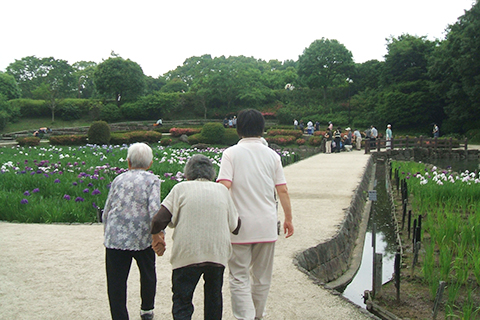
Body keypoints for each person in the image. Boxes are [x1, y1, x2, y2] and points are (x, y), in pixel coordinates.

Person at [216, 109, 294, 320]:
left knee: (239, 275)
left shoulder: (230, 154)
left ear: (238, 128)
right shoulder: (272, 156)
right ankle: (258, 315)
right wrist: (288, 218)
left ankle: (244, 317)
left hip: (238, 225)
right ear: (262, 128)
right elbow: (282, 189)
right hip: (266, 224)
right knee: (261, 276)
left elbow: (224, 186)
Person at [151, 154, 240, 320]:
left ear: (187, 174)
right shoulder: (222, 190)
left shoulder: (180, 189)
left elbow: (158, 221)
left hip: (187, 253)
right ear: (211, 173)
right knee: (214, 298)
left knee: (182, 300)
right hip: (216, 254)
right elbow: (236, 227)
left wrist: (157, 237)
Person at [102, 143, 162, 320]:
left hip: (116, 237)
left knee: (116, 280)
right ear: (150, 163)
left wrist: (107, 230)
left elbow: (107, 209)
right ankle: (147, 310)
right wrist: (159, 234)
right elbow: (154, 210)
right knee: (148, 273)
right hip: (142, 236)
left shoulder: (118, 179)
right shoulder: (152, 180)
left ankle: (119, 315)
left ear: (128, 162)